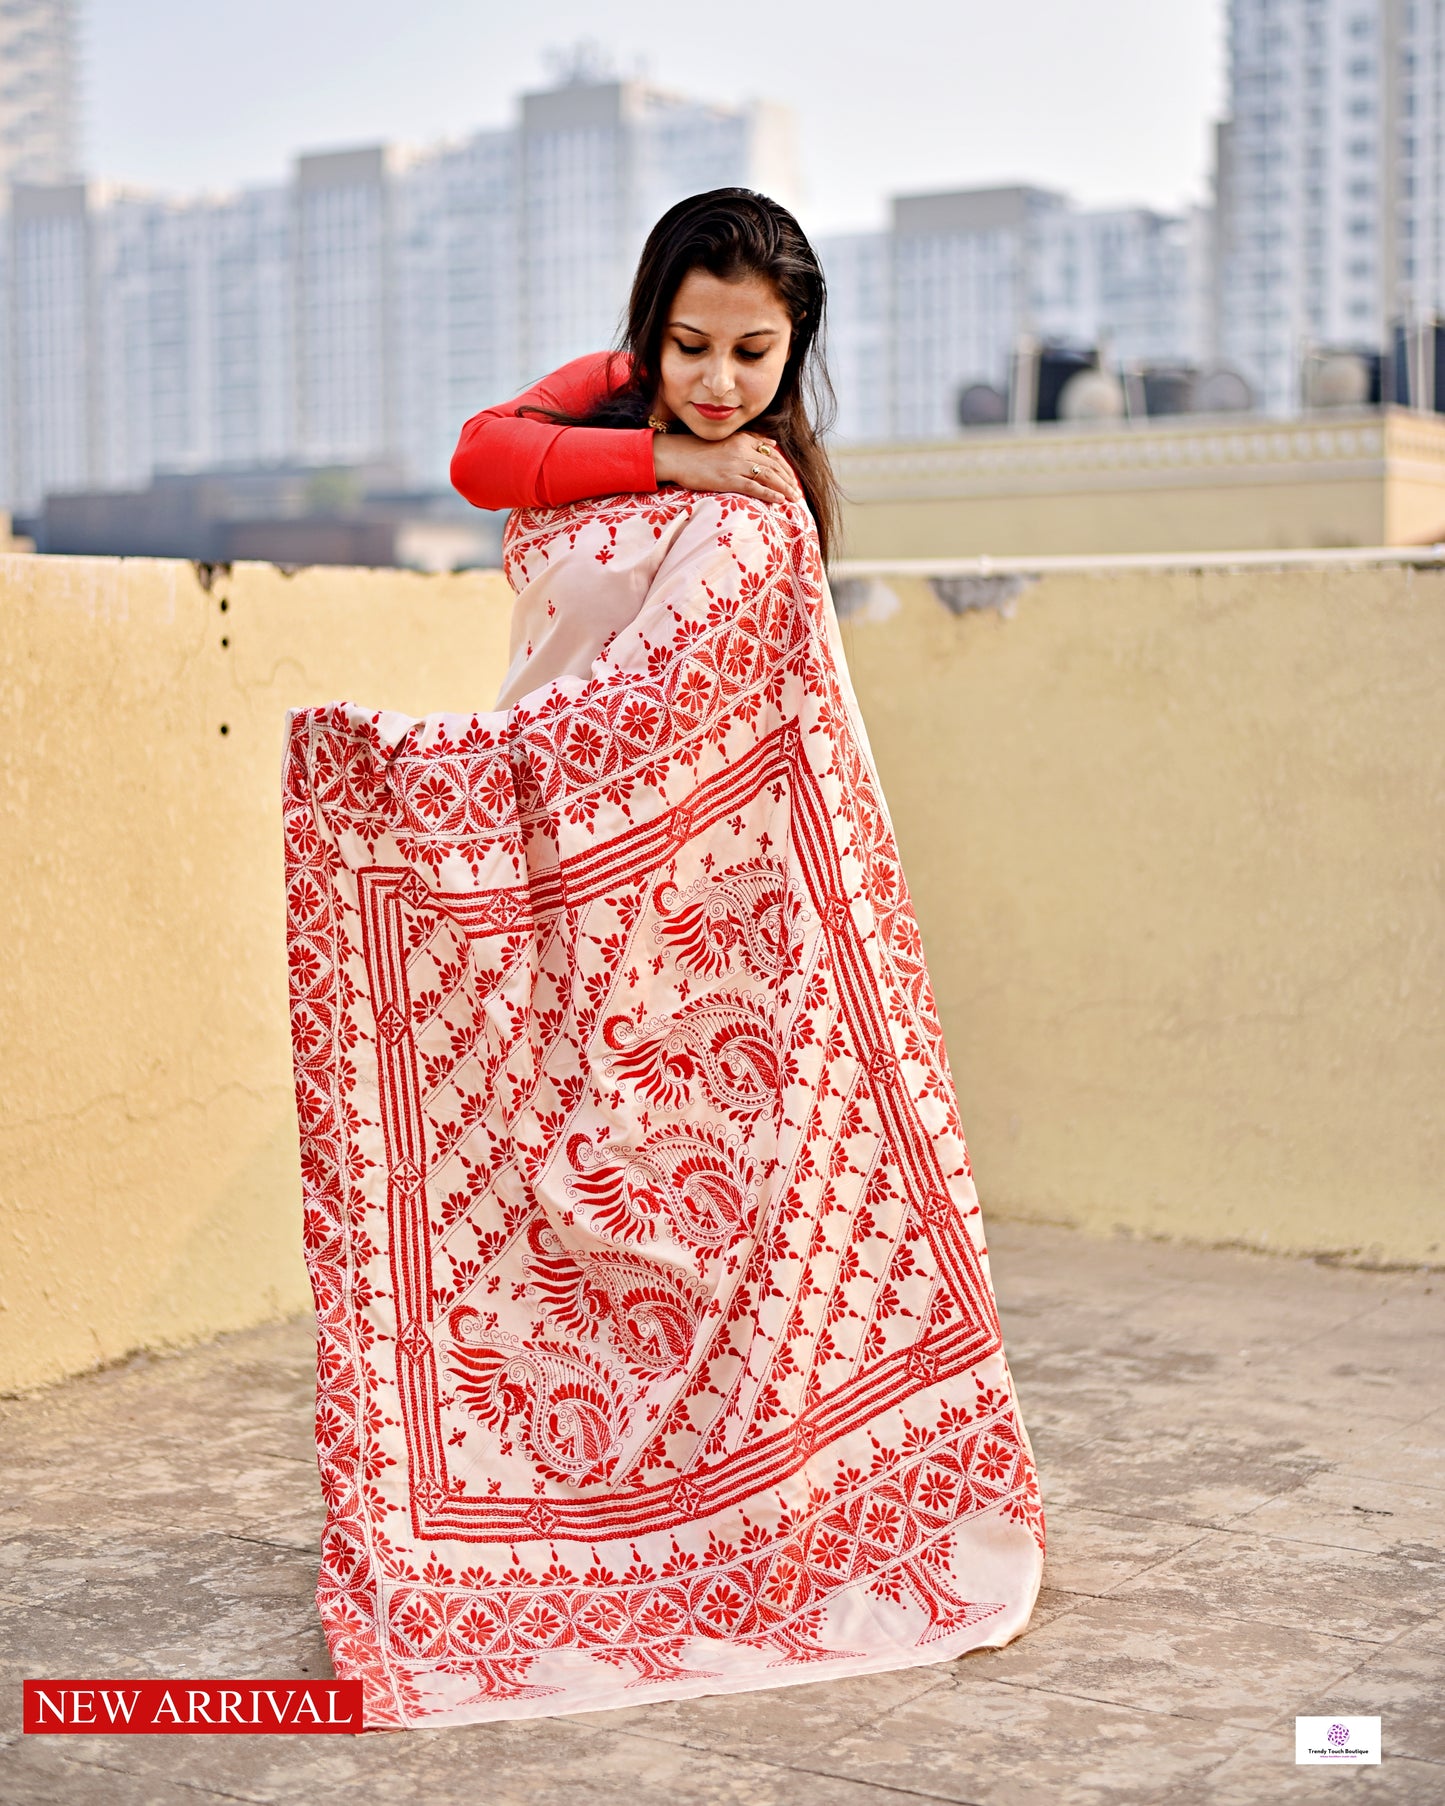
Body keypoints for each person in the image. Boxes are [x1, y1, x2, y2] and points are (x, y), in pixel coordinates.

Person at [284, 187, 1041, 1733]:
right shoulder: (639, 418)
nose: (717, 381)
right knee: (540, 1223)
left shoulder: (767, 511)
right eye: (688, 344)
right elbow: (481, 456)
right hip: (548, 911)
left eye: (751, 356)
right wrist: (664, 448)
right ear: (650, 329)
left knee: (722, 1224)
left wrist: (711, 479)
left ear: (796, 349)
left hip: (714, 933)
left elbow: (681, 733)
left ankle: (755, 1512)